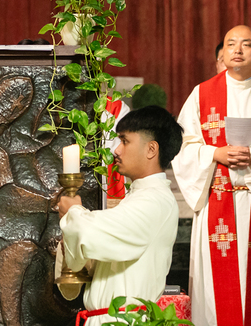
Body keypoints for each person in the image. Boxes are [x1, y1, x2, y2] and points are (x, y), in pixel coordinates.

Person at [171, 25, 251, 326]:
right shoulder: (201, 95)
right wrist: (215, 154)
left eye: (246, 44)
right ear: (223, 51)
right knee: (216, 292)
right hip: (216, 202)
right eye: (231, 44)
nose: (238, 50)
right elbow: (181, 146)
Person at [57, 106, 182, 326]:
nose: (116, 150)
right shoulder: (139, 197)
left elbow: (89, 234)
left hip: (123, 320)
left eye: (125, 141)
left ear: (151, 149)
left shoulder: (155, 201)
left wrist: (74, 211)